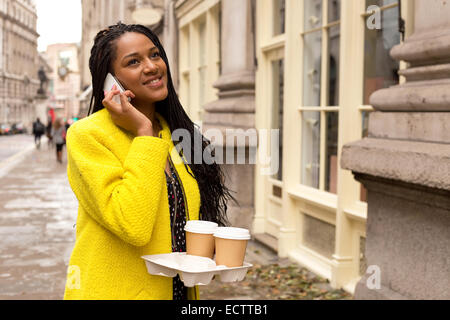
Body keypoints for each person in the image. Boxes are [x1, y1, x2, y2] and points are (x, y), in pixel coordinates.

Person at [63, 22, 237, 300]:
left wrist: (211, 254)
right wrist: (143, 132)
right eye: (134, 61)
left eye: (155, 55)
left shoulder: (176, 133)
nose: (152, 66)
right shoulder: (88, 135)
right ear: (111, 81)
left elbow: (179, 221)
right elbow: (132, 225)